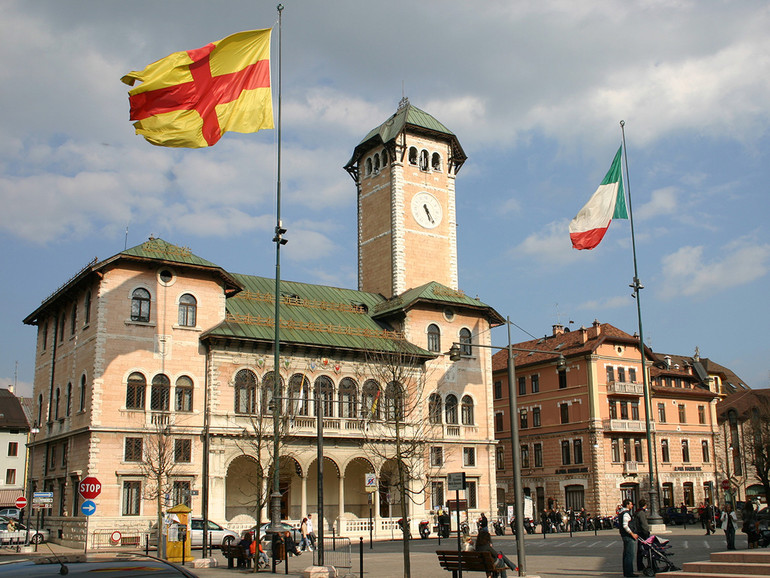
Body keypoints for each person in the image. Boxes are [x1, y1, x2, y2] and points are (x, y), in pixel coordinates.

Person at [618, 498, 639, 578]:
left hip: (625, 536)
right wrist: (632, 534)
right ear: (627, 505)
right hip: (628, 537)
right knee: (630, 555)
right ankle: (629, 573)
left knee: (626, 555)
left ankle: (627, 572)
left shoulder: (621, 512)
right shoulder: (626, 514)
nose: (632, 505)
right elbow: (625, 525)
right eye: (631, 504)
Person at [635, 499, 650, 573]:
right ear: (645, 505)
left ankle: (640, 565)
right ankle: (642, 565)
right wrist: (646, 532)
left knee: (640, 549)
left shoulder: (637, 512)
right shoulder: (641, 513)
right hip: (642, 533)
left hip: (639, 532)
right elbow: (644, 524)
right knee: (644, 549)